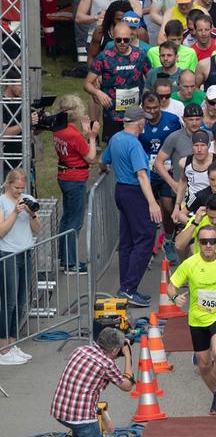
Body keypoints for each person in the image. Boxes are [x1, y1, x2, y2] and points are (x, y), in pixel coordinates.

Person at [168, 219, 216, 415]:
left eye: (212, 241)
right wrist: (175, 297)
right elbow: (171, 285)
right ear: (198, 243)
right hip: (197, 319)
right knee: (203, 364)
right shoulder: (190, 264)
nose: (208, 245)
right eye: (204, 241)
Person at [103, 105, 163, 307]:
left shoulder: (116, 138)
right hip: (134, 192)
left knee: (127, 239)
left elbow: (104, 162)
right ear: (139, 122)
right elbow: (142, 175)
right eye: (144, 120)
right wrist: (153, 203)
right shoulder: (134, 144)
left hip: (121, 189)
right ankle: (128, 287)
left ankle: (126, 286)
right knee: (146, 236)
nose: (145, 123)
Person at [50, 326, 137, 437]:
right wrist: (127, 354)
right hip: (82, 418)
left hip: (60, 410)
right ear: (115, 350)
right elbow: (127, 386)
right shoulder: (106, 364)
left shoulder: (81, 350)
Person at [49, 94, 98, 274]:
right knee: (74, 222)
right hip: (75, 178)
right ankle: (70, 263)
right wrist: (92, 137)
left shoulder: (58, 129)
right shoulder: (72, 134)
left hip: (64, 174)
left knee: (66, 219)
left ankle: (64, 258)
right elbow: (90, 157)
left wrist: (84, 134)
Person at [1, 168, 42, 363]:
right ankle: (2, 347)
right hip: (8, 254)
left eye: (22, 188)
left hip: (26, 251)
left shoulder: (27, 198)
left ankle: (12, 342)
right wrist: (15, 213)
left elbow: (37, 230)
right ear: (8, 184)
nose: (20, 191)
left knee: (21, 300)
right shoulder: (2, 202)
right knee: (8, 302)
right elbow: (1, 231)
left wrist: (31, 213)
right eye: (16, 187)